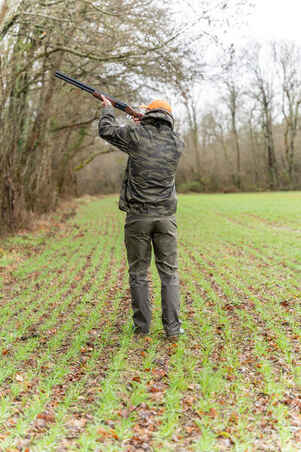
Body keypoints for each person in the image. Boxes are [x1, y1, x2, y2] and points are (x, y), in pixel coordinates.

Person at [98, 95, 184, 341]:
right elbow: (153, 137)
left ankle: (142, 329)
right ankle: (173, 329)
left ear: (148, 115)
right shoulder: (177, 142)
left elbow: (107, 130)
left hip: (138, 217)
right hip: (166, 217)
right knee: (169, 274)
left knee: (139, 272)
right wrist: (143, 121)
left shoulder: (136, 137)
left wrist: (107, 109)